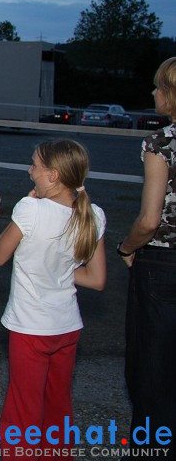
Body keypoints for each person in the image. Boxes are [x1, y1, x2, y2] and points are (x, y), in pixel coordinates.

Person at [0, 139, 106, 459]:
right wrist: (58, 271)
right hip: (67, 325)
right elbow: (96, 280)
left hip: (31, 327)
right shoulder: (93, 214)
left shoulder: (31, 209)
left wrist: (23, 211)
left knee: (23, 408)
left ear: (53, 176)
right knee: (58, 404)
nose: (30, 172)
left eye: (35, 166)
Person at [116, 56, 176, 457]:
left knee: (153, 372)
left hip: (163, 266)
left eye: (158, 87)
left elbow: (150, 220)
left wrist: (126, 247)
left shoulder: (161, 142)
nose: (153, 93)